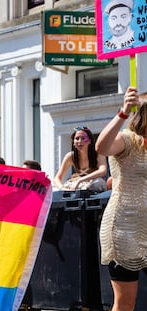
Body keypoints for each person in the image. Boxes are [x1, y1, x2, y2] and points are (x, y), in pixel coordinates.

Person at [95, 87, 147, 311]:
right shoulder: (127, 140)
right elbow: (102, 147)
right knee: (125, 303)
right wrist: (123, 111)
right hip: (124, 228)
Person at [53, 126, 108, 192]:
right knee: (53, 189)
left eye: (83, 138)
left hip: (92, 185)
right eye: (77, 138)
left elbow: (103, 171)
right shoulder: (70, 156)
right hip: (76, 185)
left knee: (99, 182)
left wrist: (81, 180)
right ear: (73, 142)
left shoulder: (98, 154)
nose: (80, 141)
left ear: (89, 141)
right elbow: (57, 178)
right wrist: (62, 188)